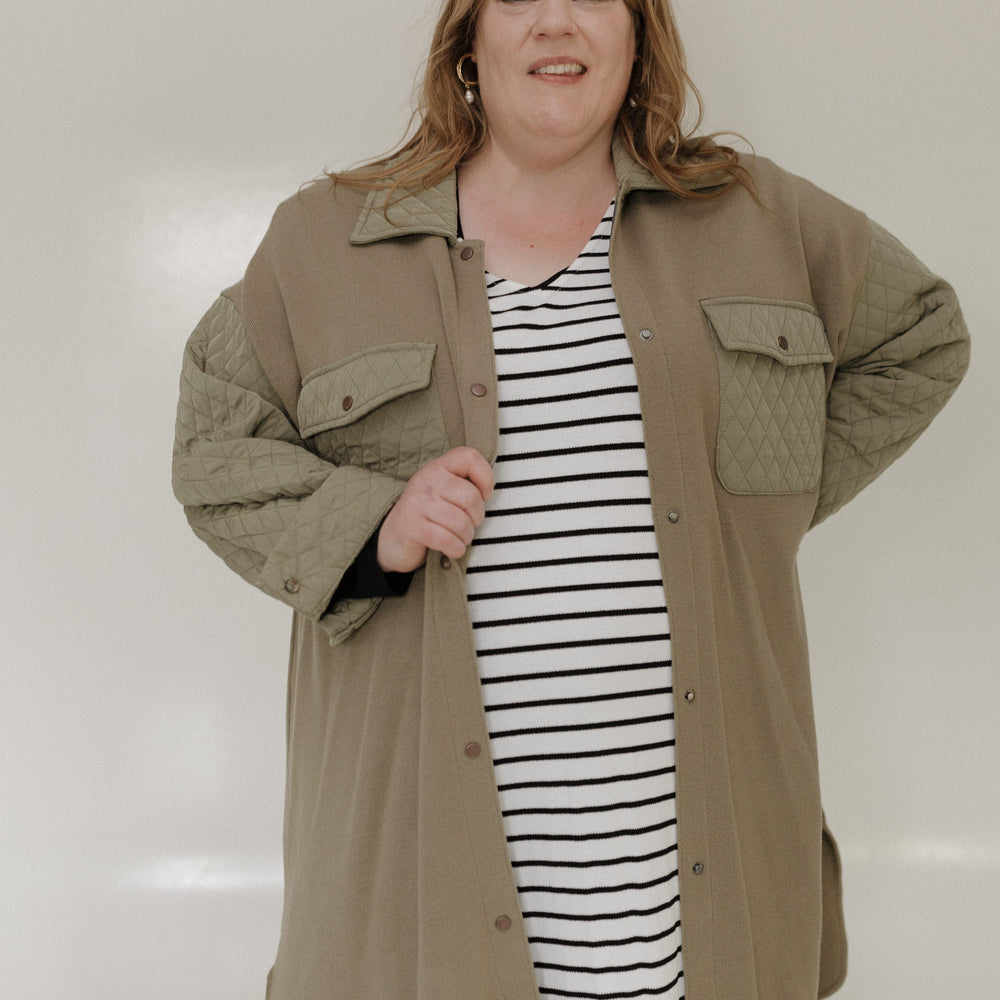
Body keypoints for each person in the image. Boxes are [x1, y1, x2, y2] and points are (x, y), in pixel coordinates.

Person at [171, 1, 970, 997]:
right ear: (470, 36)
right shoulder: (325, 243)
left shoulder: (757, 216)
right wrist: (374, 524)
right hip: (420, 906)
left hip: (698, 904)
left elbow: (919, 337)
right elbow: (215, 449)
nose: (555, 22)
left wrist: (746, 513)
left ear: (637, 31)